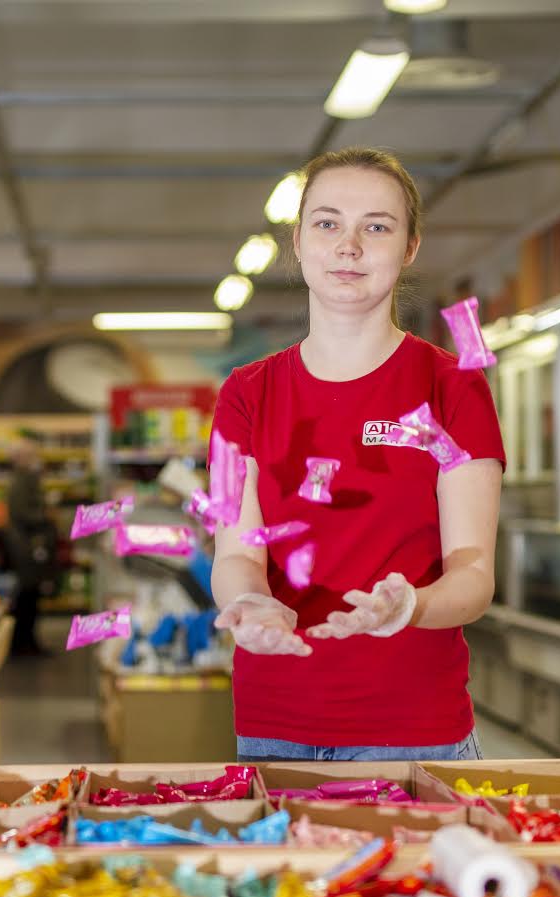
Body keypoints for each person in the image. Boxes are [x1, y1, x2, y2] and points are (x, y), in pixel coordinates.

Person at [209, 146, 505, 761]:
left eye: (376, 226)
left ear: (409, 247)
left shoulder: (454, 388)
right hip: (274, 725)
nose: (349, 246)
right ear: (299, 241)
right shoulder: (244, 394)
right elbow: (235, 551)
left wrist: (412, 606)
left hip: (415, 730)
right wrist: (249, 602)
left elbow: (474, 575)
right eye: (327, 223)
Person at [5, 436, 56, 656]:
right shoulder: (20, 481)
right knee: (27, 595)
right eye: (30, 454)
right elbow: (22, 513)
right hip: (26, 547)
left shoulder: (26, 479)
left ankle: (27, 641)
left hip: (28, 545)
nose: (35, 458)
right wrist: (46, 515)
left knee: (30, 595)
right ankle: (21, 643)